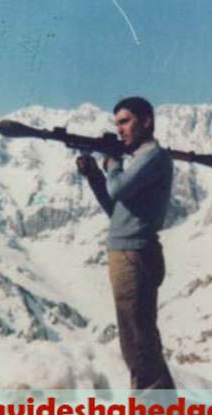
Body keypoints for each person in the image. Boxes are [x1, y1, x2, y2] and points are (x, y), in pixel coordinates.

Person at [76, 97, 175, 391]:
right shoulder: (141, 160)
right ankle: (163, 411)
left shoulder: (153, 157)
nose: (119, 129)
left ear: (146, 121)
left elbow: (117, 189)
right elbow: (116, 210)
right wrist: (95, 175)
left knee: (137, 346)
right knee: (139, 340)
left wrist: (113, 160)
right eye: (117, 123)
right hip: (127, 253)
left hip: (134, 256)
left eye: (125, 121)